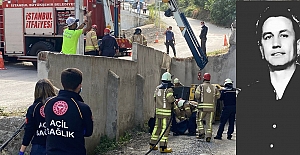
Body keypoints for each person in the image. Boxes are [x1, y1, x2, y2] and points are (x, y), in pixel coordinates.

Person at [238, 4, 300, 154]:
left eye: (284, 35)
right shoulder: (246, 99)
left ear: (298, 45)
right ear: (261, 49)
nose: (276, 44)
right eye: (268, 36)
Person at [44, 68, 93, 155]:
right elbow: (88, 132)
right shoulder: (82, 108)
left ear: (62, 83)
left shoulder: (48, 102)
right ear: (79, 86)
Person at [19, 79, 57, 155]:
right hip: (55, 144)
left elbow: (29, 130)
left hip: (38, 146)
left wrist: (22, 150)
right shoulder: (57, 106)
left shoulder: (33, 108)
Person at [149, 72, 176, 153]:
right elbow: (170, 99)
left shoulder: (158, 88)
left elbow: (154, 98)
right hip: (166, 113)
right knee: (165, 129)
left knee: (157, 127)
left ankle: (152, 144)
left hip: (158, 112)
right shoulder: (169, 89)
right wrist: (174, 100)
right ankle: (163, 147)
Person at [194, 73, 220, 142]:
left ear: (203, 78)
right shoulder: (214, 87)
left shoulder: (200, 87)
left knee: (199, 120)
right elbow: (218, 96)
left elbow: (197, 96)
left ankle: (201, 132)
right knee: (209, 122)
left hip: (202, 108)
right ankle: (208, 136)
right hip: (211, 108)